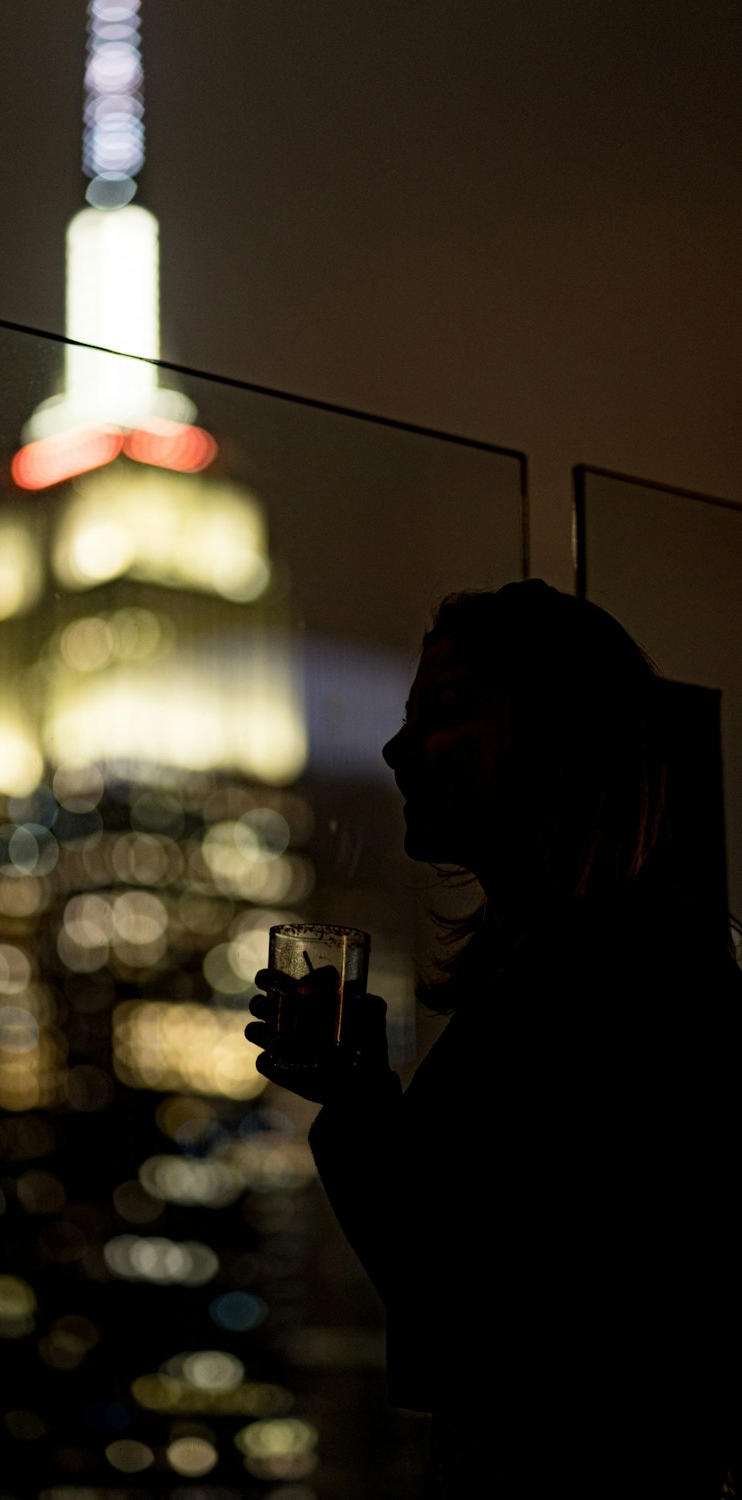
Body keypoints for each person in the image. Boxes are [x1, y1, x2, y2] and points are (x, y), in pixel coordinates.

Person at [246, 579, 740, 1498]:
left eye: (447, 712)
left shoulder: (618, 991)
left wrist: (362, 1112)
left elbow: (487, 1325)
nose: (398, 749)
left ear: (562, 737)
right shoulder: (603, 975)